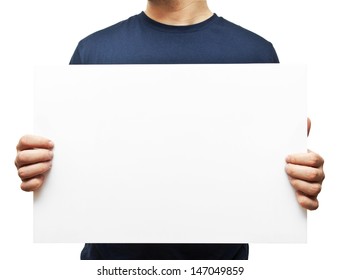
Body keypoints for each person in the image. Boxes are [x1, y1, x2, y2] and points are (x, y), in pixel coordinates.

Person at [14, 0, 325, 260]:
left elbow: (272, 174)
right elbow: (69, 166)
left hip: (220, 270)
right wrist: (40, 165)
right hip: (109, 269)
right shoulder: (93, 51)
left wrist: (297, 175)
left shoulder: (257, 54)